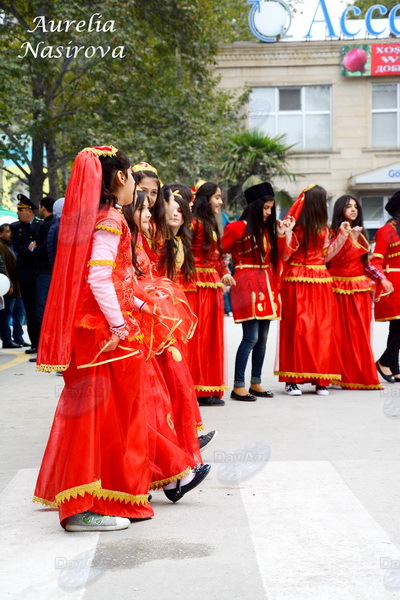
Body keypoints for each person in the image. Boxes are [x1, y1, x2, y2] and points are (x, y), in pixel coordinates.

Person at [34, 146, 155, 531]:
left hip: (99, 329)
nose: (135, 185)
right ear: (120, 178)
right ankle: (80, 509)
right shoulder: (111, 220)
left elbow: (111, 278)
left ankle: (95, 498)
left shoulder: (104, 217)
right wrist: (121, 326)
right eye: (134, 178)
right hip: (101, 334)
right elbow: (98, 278)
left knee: (99, 416)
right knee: (92, 416)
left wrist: (137, 303)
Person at [275, 184, 343, 396]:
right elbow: (285, 256)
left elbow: (326, 256)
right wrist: (285, 235)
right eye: (322, 201)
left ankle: (320, 378)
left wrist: (341, 237)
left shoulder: (324, 228)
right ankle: (292, 380)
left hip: (320, 279)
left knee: (321, 330)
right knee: (299, 328)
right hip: (298, 279)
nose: (325, 204)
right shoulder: (297, 226)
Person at [221, 182, 281, 401]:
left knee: (263, 339)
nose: (269, 212)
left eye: (270, 208)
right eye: (265, 208)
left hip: (266, 284)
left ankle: (255, 382)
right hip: (246, 285)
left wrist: (284, 235)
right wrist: (224, 272)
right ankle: (238, 385)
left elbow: (279, 257)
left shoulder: (267, 229)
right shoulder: (237, 228)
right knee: (251, 337)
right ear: (256, 207)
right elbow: (219, 252)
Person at [328, 195, 389, 389]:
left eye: (356, 206)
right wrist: (345, 236)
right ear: (340, 210)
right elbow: (330, 257)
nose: (354, 209)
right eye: (348, 206)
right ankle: (338, 374)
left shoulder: (361, 235)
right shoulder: (332, 233)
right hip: (337, 288)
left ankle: (358, 374)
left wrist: (382, 278)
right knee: (338, 334)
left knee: (359, 333)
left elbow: (365, 264)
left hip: (359, 289)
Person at [185, 182, 235, 406]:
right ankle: (196, 388)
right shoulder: (193, 223)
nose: (220, 201)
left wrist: (224, 273)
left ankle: (207, 387)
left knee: (210, 339)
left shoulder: (211, 223)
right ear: (206, 199)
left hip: (211, 287)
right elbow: (184, 254)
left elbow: (217, 259)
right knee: (199, 338)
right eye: (217, 197)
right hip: (196, 287)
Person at [370, 191, 400, 382]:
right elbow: (375, 261)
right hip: (392, 283)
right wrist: (382, 280)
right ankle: (384, 361)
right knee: (398, 326)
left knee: (396, 328)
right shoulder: (386, 231)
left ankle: (393, 365)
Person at [10, 195, 41, 354]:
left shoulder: (40, 225)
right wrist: (32, 251)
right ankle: (35, 343)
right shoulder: (15, 227)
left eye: (20, 210)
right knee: (29, 309)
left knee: (40, 309)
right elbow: (19, 248)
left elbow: (41, 248)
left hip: (39, 273)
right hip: (25, 275)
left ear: (29, 210)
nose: (18, 213)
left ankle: (43, 343)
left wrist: (34, 251)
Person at [0, 223, 26, 348]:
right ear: (1, 234)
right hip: (8, 286)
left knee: (19, 313)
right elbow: (3, 266)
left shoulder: (13, 245)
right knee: (6, 314)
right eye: (7, 232)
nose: (10, 234)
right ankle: (7, 340)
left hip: (18, 285)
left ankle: (18, 337)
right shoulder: (1, 246)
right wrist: (8, 284)